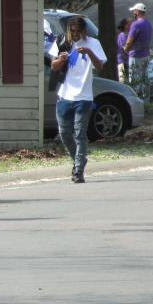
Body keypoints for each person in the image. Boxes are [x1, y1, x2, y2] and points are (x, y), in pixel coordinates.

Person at [48, 16, 106, 183]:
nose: (73, 34)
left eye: (76, 31)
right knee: (64, 132)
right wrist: (60, 59)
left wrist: (89, 52)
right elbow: (53, 66)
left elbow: (100, 66)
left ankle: (78, 170)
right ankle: (78, 159)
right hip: (65, 95)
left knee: (80, 134)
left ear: (84, 30)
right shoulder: (62, 42)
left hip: (84, 97)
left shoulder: (93, 43)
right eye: (71, 31)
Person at [124, 2, 153, 99]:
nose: (133, 13)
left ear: (137, 12)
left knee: (135, 79)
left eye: (134, 11)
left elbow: (129, 41)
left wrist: (125, 49)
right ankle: (146, 100)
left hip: (136, 55)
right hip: (146, 54)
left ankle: (135, 100)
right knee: (145, 79)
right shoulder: (148, 24)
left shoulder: (136, 24)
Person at [116, 17, 130, 83]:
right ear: (124, 25)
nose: (130, 25)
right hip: (121, 61)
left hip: (127, 61)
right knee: (122, 81)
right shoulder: (121, 35)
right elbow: (124, 48)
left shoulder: (129, 35)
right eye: (128, 24)